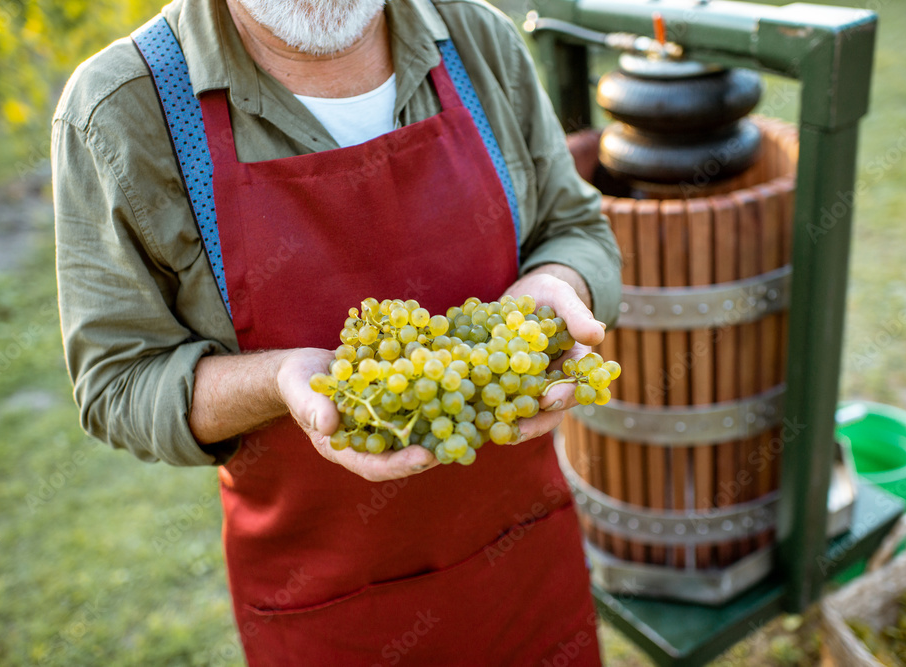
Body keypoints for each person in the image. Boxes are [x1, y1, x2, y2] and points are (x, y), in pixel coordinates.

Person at [52, 0, 621, 663]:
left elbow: (574, 226)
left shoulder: (474, 38)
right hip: (328, 611)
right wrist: (277, 378)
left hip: (527, 571)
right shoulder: (124, 108)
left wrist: (560, 283)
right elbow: (118, 380)